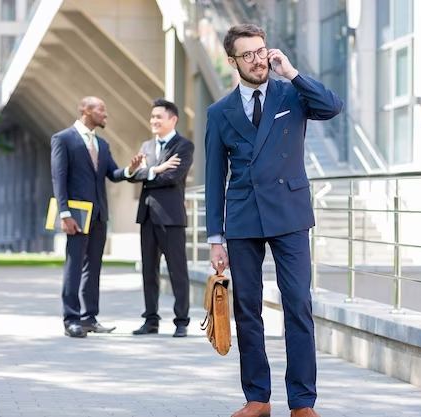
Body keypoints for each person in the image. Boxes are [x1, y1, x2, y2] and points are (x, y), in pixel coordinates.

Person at [205, 24, 343, 417]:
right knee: (247, 308)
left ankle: (302, 402)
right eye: (247, 54)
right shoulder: (219, 113)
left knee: (298, 304)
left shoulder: (292, 92)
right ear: (233, 61)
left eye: (261, 51)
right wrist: (216, 237)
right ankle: (258, 398)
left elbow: (332, 106)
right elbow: (215, 179)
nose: (258, 60)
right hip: (244, 217)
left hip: (290, 212)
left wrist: (292, 71)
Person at [51, 96, 143, 338]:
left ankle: (89, 318)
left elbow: (112, 173)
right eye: (101, 109)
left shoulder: (102, 144)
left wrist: (129, 171)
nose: (106, 114)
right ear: (86, 110)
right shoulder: (63, 139)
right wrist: (65, 213)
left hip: (100, 214)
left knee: (94, 268)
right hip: (76, 215)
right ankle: (71, 319)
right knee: (74, 267)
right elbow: (58, 179)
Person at [128, 98, 194, 338]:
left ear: (173, 119)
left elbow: (173, 177)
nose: (153, 121)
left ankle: (181, 321)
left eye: (159, 117)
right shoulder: (146, 146)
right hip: (147, 216)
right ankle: (151, 319)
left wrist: (148, 174)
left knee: (178, 270)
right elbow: (133, 176)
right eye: (152, 117)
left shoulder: (183, 146)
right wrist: (156, 170)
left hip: (171, 217)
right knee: (149, 271)